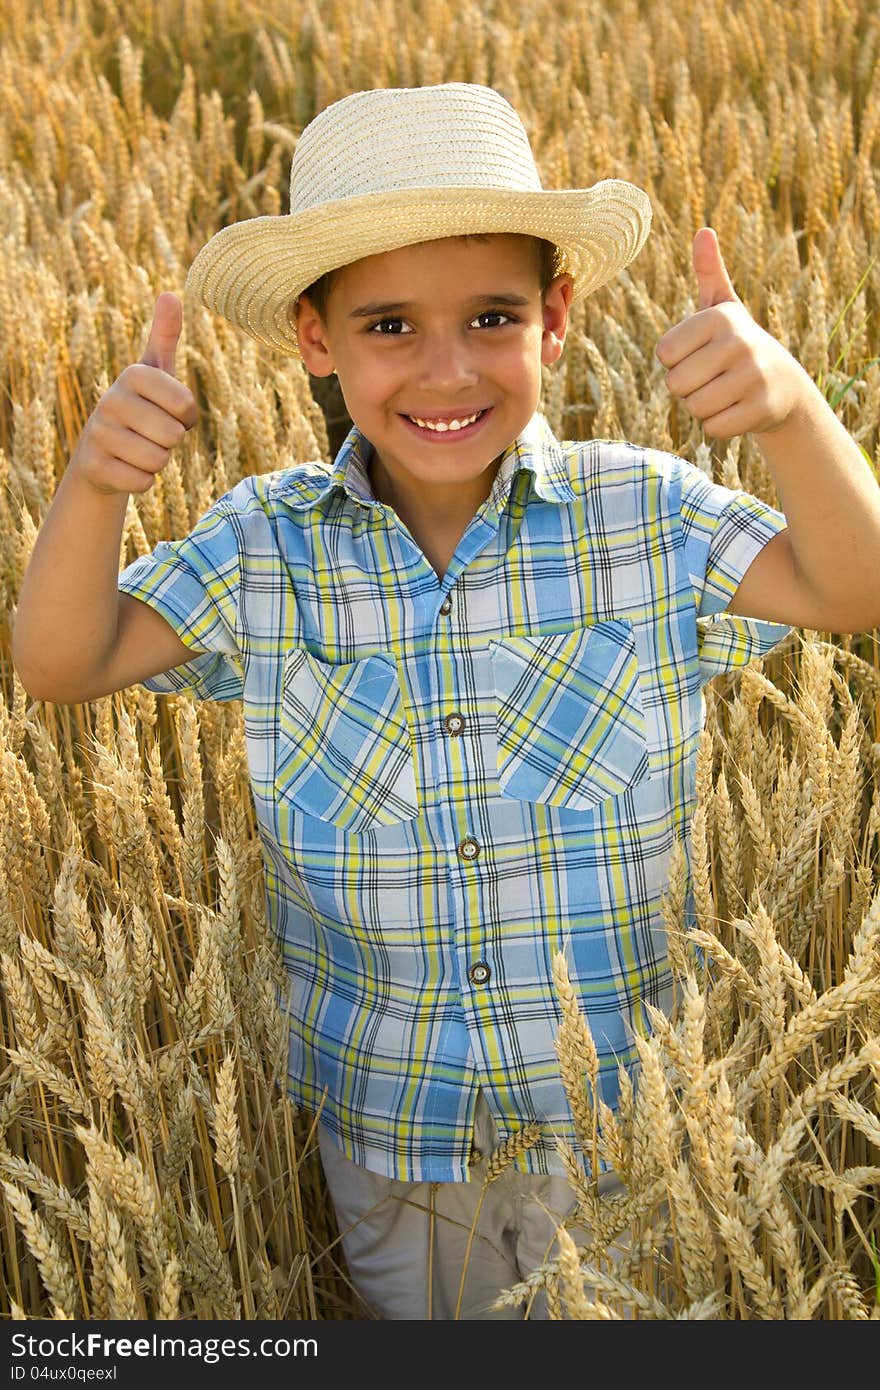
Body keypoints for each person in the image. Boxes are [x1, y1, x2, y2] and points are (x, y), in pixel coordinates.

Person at [12, 83, 880, 1320]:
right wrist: (96, 484)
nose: (446, 368)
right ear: (314, 340)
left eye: (491, 317)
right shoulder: (267, 545)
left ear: (557, 318)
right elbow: (61, 661)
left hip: (624, 1114)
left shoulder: (640, 514)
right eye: (387, 326)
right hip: (386, 1123)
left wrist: (790, 409)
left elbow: (856, 587)